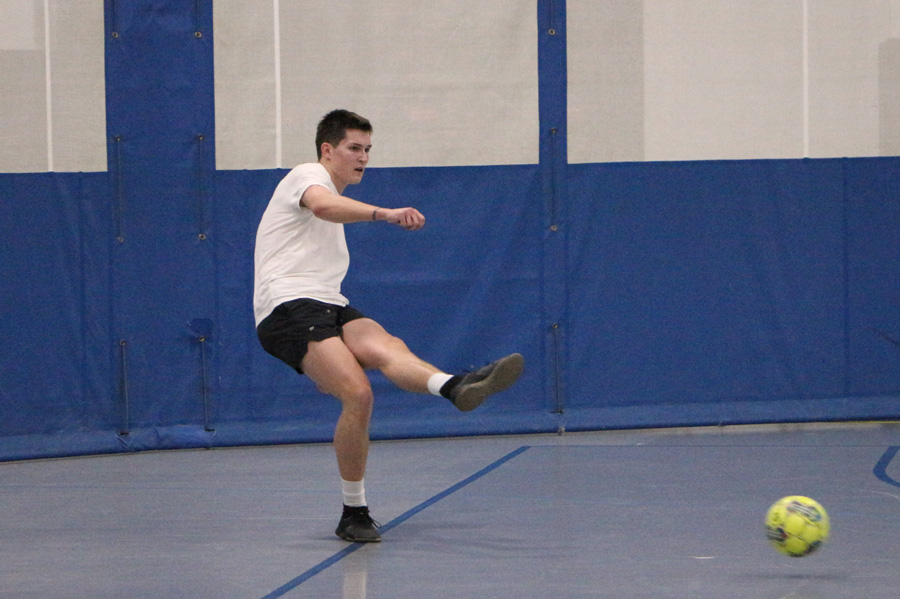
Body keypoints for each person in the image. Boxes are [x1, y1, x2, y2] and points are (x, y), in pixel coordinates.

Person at [253, 109, 524, 543]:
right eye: (353, 148)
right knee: (358, 393)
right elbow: (323, 206)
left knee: (385, 346)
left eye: (367, 150)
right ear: (327, 150)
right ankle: (353, 512)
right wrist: (384, 213)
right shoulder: (307, 175)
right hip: (287, 308)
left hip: (328, 302)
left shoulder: (332, 194)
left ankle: (453, 386)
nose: (363, 158)